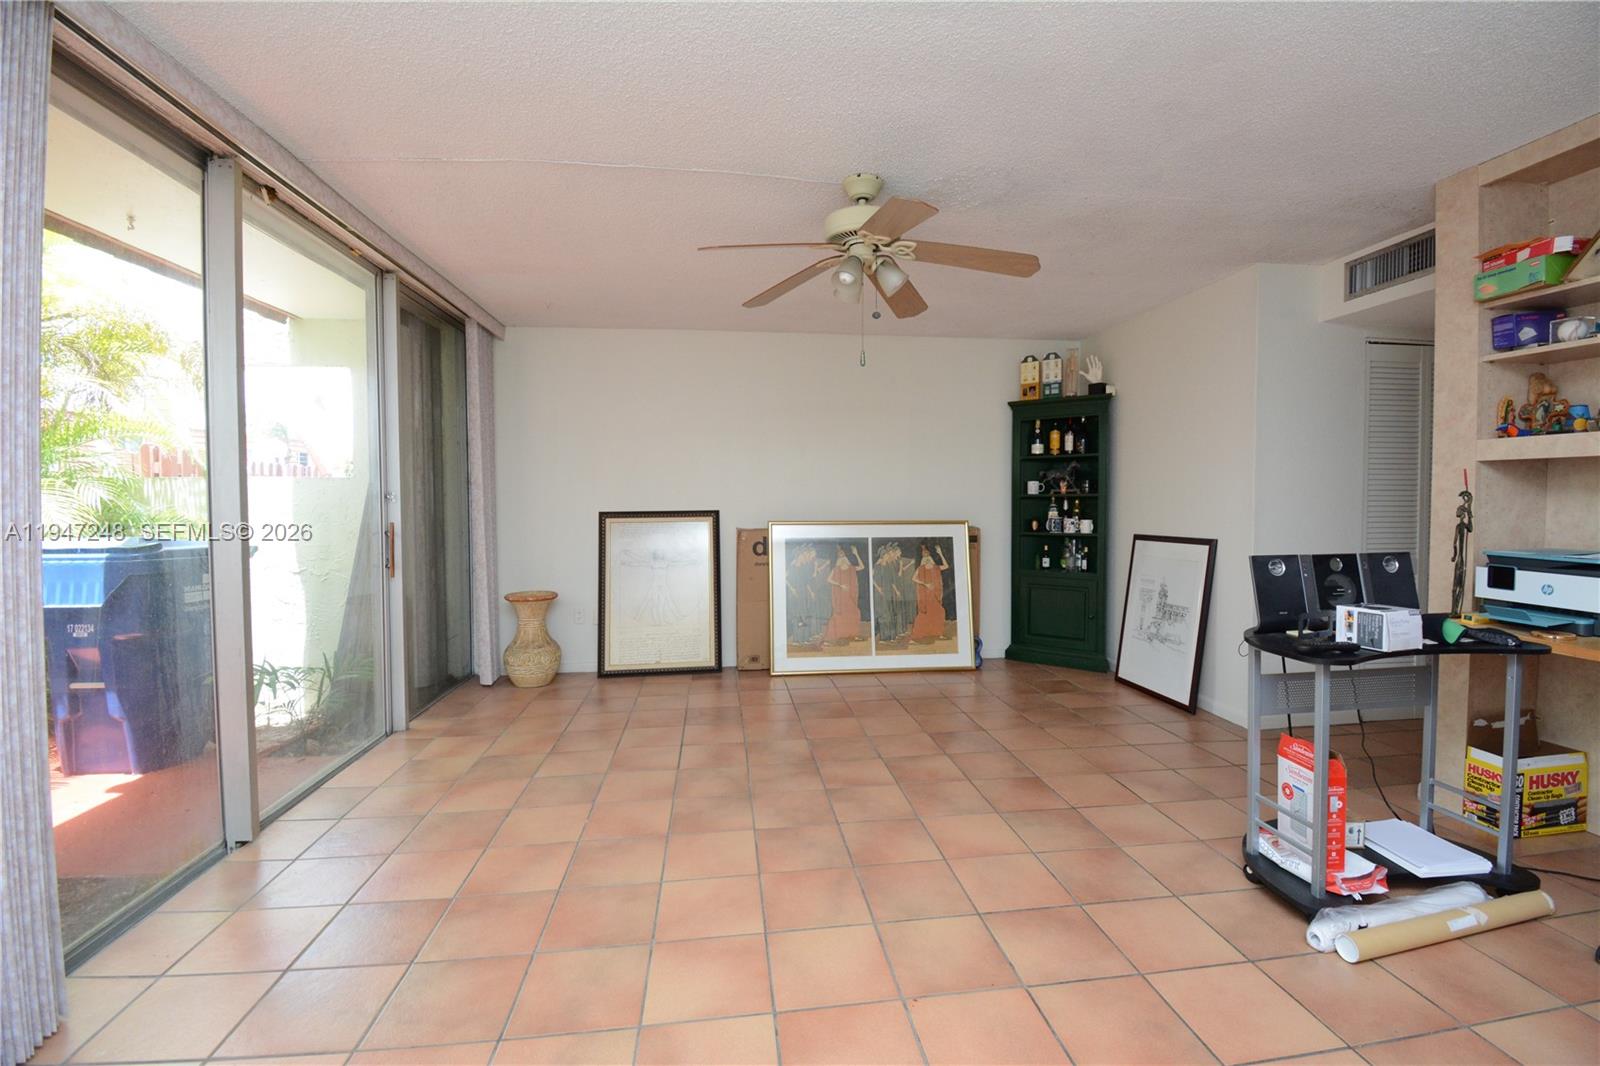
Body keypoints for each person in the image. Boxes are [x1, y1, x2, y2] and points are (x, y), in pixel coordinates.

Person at [823, 543, 866, 644]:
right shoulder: (836, 569)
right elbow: (829, 579)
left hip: (850, 597)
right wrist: (839, 585)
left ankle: (851, 634)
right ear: (838, 559)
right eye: (840, 557)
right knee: (839, 615)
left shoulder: (851, 568)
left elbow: (862, 567)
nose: (843, 558)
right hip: (841, 597)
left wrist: (856, 554)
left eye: (844, 556)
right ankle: (837, 635)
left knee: (854, 614)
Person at [909, 541, 951, 643]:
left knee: (939, 613)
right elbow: (913, 578)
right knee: (923, 615)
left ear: (930, 558)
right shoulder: (921, 569)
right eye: (925, 557)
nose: (927, 559)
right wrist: (924, 583)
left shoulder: (935, 568)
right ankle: (915, 636)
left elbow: (946, 566)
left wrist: (940, 553)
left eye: (928, 557)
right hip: (926, 597)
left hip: (935, 596)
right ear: (923, 559)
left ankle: (938, 633)